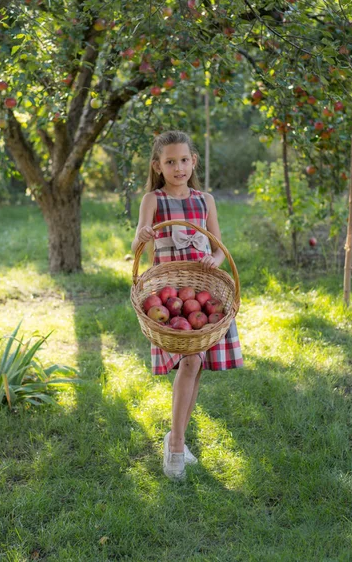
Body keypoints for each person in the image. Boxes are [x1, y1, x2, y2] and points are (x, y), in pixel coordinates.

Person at [131, 130, 243, 480]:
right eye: (169, 162)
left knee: (195, 366)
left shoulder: (205, 200)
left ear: (194, 161)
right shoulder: (153, 199)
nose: (178, 167)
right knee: (191, 363)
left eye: (183, 160)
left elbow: (218, 248)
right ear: (158, 166)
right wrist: (144, 236)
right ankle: (176, 444)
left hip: (203, 292)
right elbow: (138, 238)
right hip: (169, 294)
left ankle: (175, 437)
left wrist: (213, 259)